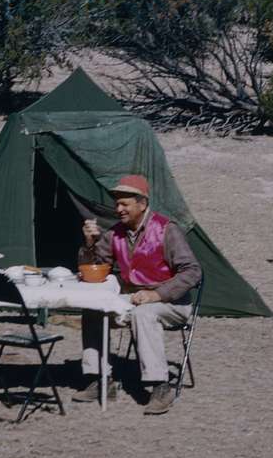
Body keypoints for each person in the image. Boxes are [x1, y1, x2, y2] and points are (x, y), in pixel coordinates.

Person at [73, 174, 202, 415]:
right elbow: (97, 270)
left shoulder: (166, 230)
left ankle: (159, 386)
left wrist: (157, 294)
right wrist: (90, 244)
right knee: (92, 309)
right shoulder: (115, 234)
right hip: (132, 300)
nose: (118, 209)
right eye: (117, 204)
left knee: (144, 313)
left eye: (124, 204)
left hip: (171, 303)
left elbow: (193, 271)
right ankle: (100, 379)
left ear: (142, 204)